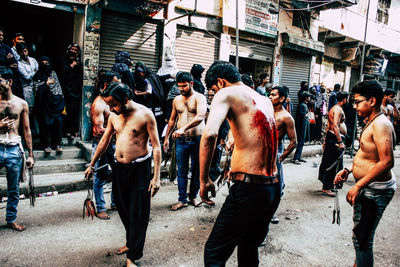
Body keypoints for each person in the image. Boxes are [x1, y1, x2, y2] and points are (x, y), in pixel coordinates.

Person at [199, 61, 280, 266]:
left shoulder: (226, 93)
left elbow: (209, 135)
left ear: (220, 82)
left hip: (249, 188)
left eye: (213, 90)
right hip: (272, 187)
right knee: (248, 247)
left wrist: (204, 179)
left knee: (214, 253)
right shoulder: (264, 99)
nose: (214, 94)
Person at [84, 81, 161, 267]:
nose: (111, 108)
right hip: (119, 168)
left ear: (125, 99)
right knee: (122, 206)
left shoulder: (145, 115)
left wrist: (156, 177)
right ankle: (131, 242)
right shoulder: (113, 116)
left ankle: (132, 257)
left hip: (139, 169)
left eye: (114, 104)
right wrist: (92, 164)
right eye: (109, 105)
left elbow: (157, 147)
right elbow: (104, 140)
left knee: (139, 212)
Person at [334, 80, 396, 267]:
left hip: (375, 191)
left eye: (358, 101)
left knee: (362, 241)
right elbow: (368, 155)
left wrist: (358, 185)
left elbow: (387, 161)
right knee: (360, 237)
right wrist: (349, 170)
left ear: (372, 101)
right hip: (368, 188)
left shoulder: (381, 124)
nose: (355, 106)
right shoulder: (371, 122)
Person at [163, 71, 207, 210]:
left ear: (191, 84)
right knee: (181, 170)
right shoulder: (177, 100)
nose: (181, 89)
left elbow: (200, 116)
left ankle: (193, 196)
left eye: (184, 86)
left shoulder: (199, 98)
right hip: (181, 140)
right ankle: (182, 199)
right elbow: (172, 119)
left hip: (197, 138)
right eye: (179, 86)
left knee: (196, 169)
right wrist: (167, 138)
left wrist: (183, 128)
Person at [0, 66, 34, 231]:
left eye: (0, 81)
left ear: (10, 82)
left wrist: (31, 155)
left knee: (13, 189)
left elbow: (27, 130)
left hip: (14, 149)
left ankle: (11, 219)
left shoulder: (21, 103)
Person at [89, 71, 121, 219]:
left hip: (116, 144)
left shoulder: (114, 101)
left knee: (117, 175)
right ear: (107, 84)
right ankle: (101, 207)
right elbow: (98, 130)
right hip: (102, 145)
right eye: (116, 84)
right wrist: (118, 130)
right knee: (100, 177)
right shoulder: (99, 104)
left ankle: (115, 202)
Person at [269, 86, 297, 204]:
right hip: (262, 151)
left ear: (281, 99)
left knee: (276, 184)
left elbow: (293, 142)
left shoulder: (286, 117)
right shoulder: (266, 110)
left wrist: (280, 158)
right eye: (269, 94)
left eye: (273, 95)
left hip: (275, 151)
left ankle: (271, 212)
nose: (270, 97)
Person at [318, 91, 348, 196]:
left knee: (331, 161)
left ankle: (329, 185)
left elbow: (329, 126)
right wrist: (340, 142)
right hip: (335, 139)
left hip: (332, 138)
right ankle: (326, 187)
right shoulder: (338, 110)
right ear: (345, 99)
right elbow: (335, 126)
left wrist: (326, 140)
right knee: (332, 163)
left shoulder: (334, 108)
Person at [33, 56, 65, 152]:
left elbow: (58, 89)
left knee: (58, 123)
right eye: (43, 63)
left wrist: (60, 102)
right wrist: (46, 84)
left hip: (55, 104)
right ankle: (46, 145)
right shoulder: (37, 76)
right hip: (44, 105)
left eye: (47, 63)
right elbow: (37, 91)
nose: (45, 65)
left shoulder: (53, 74)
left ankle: (57, 145)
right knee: (45, 125)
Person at [134, 62, 166, 139]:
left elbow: (149, 91)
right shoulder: (153, 76)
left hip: (153, 104)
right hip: (158, 104)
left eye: (141, 72)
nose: (140, 74)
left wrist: (138, 94)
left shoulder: (148, 79)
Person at [60, 43, 83, 139]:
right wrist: (71, 66)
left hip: (75, 93)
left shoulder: (79, 64)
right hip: (66, 92)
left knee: (74, 112)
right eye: (72, 49)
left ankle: (74, 131)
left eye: (75, 50)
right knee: (65, 113)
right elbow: (63, 74)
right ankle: (66, 132)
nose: (73, 51)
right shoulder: (64, 61)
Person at [16, 43, 38, 110]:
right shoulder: (19, 64)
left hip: (36, 86)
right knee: (30, 108)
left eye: (25, 51)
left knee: (38, 107)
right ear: (18, 53)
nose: (24, 53)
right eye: (22, 52)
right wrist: (34, 72)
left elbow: (38, 70)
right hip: (27, 88)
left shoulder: (33, 60)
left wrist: (34, 73)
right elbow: (27, 77)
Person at [291, 91, 310, 164]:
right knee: (300, 142)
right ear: (306, 98)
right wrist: (308, 114)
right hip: (301, 126)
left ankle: (298, 157)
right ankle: (295, 158)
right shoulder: (303, 105)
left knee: (301, 142)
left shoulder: (304, 105)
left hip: (303, 125)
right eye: (308, 97)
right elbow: (303, 115)